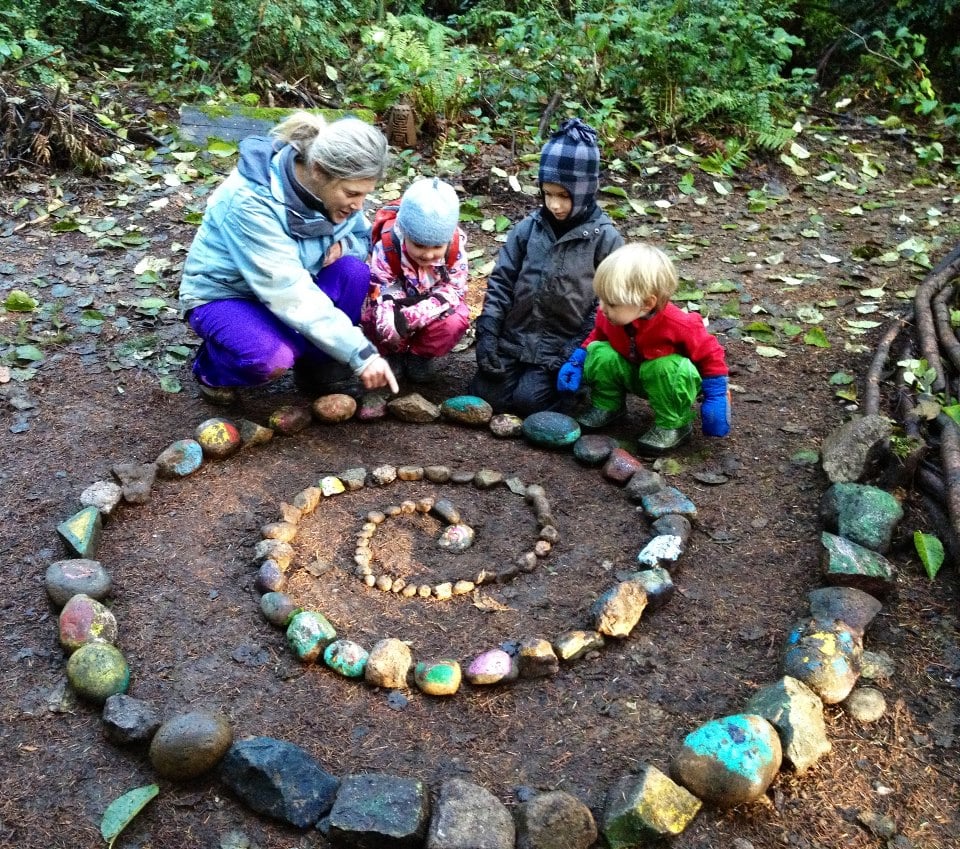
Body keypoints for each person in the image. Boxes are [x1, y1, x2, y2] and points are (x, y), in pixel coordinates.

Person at [179, 112, 399, 405]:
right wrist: (360, 353)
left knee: (353, 271)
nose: (360, 205)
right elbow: (288, 292)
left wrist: (342, 248)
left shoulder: (337, 191)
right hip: (226, 295)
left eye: (365, 194)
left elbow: (360, 241)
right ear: (319, 170)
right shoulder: (251, 202)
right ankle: (212, 368)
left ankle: (317, 365)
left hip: (295, 287)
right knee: (272, 357)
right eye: (352, 193)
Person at [466, 118, 623, 417]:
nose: (554, 204)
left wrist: (575, 349)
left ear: (585, 190)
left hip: (561, 346)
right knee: (487, 396)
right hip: (516, 338)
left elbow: (606, 305)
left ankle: (585, 391)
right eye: (548, 193)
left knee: (530, 402)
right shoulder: (528, 229)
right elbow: (502, 281)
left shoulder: (606, 239)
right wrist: (488, 332)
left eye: (564, 196)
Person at [557, 242, 731, 454]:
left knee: (664, 367)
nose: (602, 308)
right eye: (600, 299)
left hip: (666, 382)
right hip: (632, 372)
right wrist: (577, 361)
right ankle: (608, 405)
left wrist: (716, 396)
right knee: (601, 352)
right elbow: (597, 335)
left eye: (611, 303)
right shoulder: (610, 316)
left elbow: (710, 355)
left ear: (646, 303)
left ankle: (674, 424)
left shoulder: (679, 324)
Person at [360, 177, 470, 383]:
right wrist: (394, 316)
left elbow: (455, 289)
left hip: (434, 304)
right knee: (379, 319)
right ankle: (392, 353)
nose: (428, 255)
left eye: (437, 247)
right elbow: (380, 287)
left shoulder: (454, 250)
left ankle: (420, 356)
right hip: (396, 301)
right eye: (419, 245)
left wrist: (418, 314)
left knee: (456, 319)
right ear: (404, 233)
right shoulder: (388, 247)